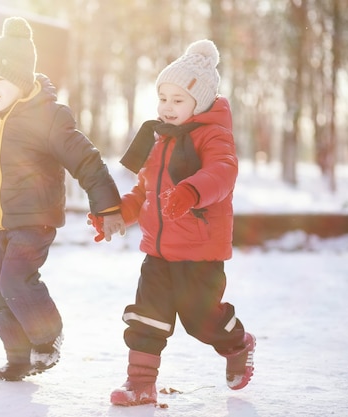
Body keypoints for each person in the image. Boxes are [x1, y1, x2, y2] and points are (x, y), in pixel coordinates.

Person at [0, 16, 126, 382]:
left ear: (20, 79)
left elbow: (86, 160)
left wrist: (107, 205)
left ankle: (47, 338)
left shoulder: (49, 117)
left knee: (14, 280)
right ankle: (18, 356)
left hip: (35, 217)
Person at [90, 39, 255, 406]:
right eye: (163, 98)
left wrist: (191, 192)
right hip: (158, 252)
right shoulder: (160, 140)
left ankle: (238, 343)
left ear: (202, 102)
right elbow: (144, 190)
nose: (166, 107)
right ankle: (140, 384)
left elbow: (222, 172)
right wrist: (118, 216)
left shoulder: (214, 136)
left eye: (177, 100)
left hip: (199, 251)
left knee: (200, 321)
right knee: (147, 317)